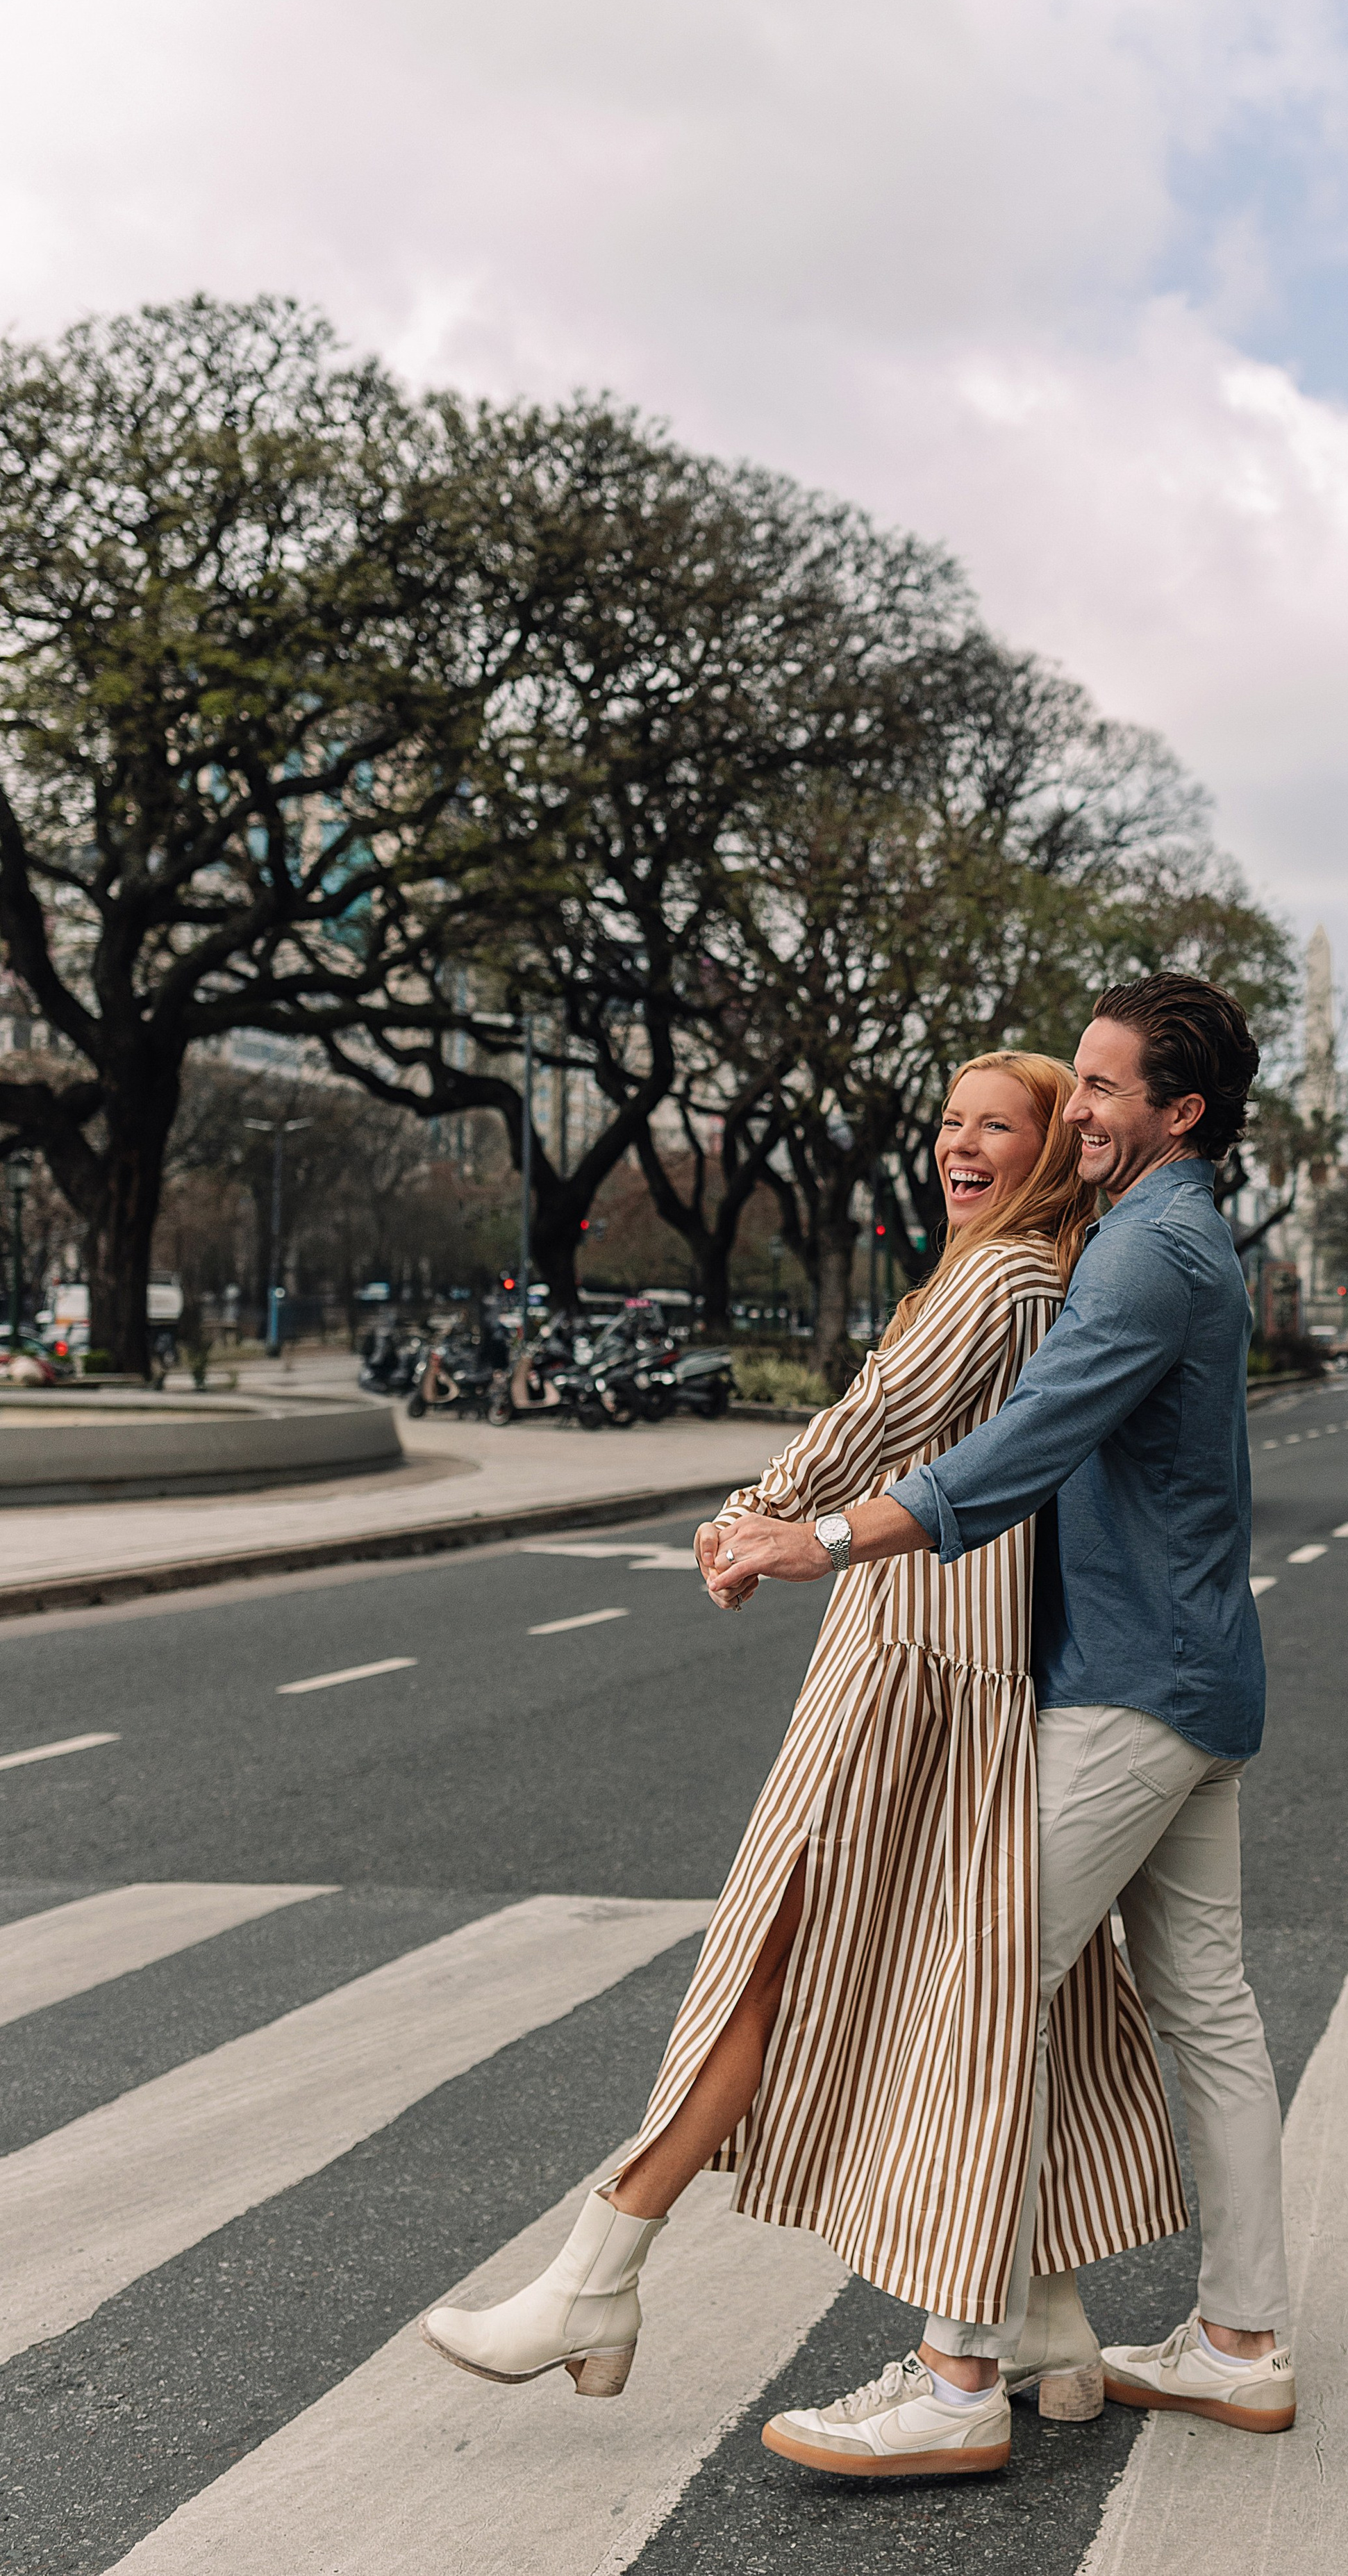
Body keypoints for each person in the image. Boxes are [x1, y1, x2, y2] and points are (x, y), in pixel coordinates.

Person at [420, 1048, 1190, 2475]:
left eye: (995, 1127)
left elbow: (883, 1427)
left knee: (775, 1958)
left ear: (1039, 1155)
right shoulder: (991, 1273)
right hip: (927, 1668)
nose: (959, 1146)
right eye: (948, 1123)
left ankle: (597, 2278)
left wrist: (754, 1513)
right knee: (946, 1990)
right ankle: (1051, 2326)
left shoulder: (1008, 1282)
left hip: (915, 1681)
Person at [710, 974, 1295, 2479]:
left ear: (1181, 1112)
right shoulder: (1175, 1237)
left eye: (1107, 1091)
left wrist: (822, 1538)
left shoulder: (1145, 1254)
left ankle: (954, 2376)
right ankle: (1236, 2345)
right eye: (1078, 1082)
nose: (1078, 1112)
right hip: (1201, 1676)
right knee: (1207, 2012)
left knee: (971, 1994)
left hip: (1126, 1694)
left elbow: (1025, 1444)